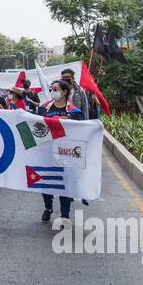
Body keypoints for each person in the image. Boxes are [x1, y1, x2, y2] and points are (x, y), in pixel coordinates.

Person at [36, 80, 84, 222]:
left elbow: (81, 133)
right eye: (51, 89)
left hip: (66, 154)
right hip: (47, 153)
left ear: (64, 92)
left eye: (55, 89)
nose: (52, 91)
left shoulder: (75, 113)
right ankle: (48, 207)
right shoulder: (43, 109)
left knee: (66, 185)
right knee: (46, 183)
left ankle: (65, 215)